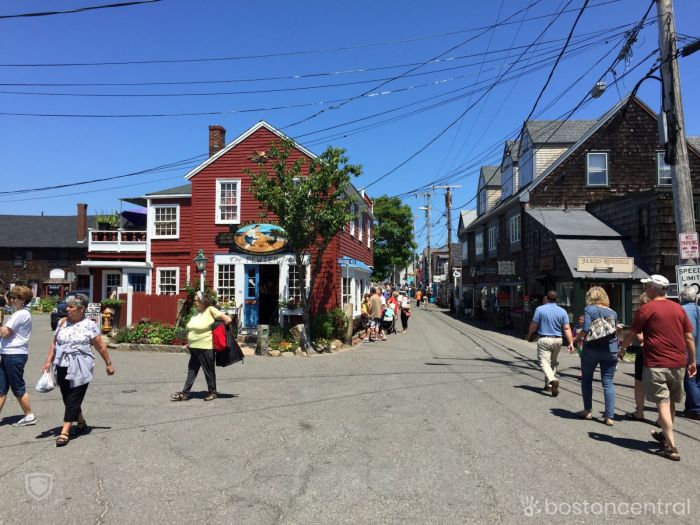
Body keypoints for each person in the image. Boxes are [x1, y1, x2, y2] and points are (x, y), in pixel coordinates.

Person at [620, 275, 697, 461]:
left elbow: (632, 333)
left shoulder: (646, 309)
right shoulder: (678, 309)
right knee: (669, 401)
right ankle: (664, 434)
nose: (645, 289)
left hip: (656, 362)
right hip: (678, 362)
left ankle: (671, 447)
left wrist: (622, 349)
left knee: (662, 402)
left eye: (647, 286)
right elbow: (688, 337)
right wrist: (692, 360)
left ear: (654, 288)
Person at [42, 292, 115, 446]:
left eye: (71, 307)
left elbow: (100, 346)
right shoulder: (62, 322)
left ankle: (65, 431)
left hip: (81, 365)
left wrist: (108, 363)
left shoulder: (90, 325)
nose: (67, 309)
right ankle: (81, 423)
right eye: (68, 306)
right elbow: (55, 343)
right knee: (67, 396)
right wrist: (48, 362)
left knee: (74, 397)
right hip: (61, 364)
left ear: (81, 309)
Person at [171, 291, 232, 402]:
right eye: (194, 300)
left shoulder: (210, 310)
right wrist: (189, 341)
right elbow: (192, 328)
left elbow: (228, 320)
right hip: (194, 347)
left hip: (206, 346)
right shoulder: (196, 312)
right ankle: (185, 393)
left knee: (208, 371)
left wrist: (219, 329)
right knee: (192, 371)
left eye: (196, 300)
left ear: (203, 301)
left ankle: (212, 392)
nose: (195, 302)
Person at [572, 287, 619, 425]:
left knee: (586, 380)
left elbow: (586, 328)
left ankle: (588, 411)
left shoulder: (589, 309)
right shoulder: (613, 312)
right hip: (610, 349)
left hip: (591, 349)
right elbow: (614, 330)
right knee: (608, 382)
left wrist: (576, 339)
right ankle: (609, 416)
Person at [0, 285, 36, 427]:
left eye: (15, 298)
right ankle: (29, 415)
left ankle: (29, 416)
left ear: (23, 300)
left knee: (17, 388)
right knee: (1, 388)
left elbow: (5, 333)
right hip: (9, 354)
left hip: (14, 354)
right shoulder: (22, 313)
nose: (12, 300)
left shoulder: (20, 314)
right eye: (11, 297)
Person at [527, 290, 574, 397]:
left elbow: (534, 325)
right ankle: (548, 385)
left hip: (545, 339)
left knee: (544, 362)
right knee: (552, 362)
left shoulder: (540, 309)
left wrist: (530, 335)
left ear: (547, 299)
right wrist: (571, 342)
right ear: (557, 299)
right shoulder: (562, 311)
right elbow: (567, 328)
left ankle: (552, 380)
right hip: (558, 340)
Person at [624, 292, 650, 422]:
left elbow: (640, 336)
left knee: (639, 383)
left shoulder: (642, 314)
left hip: (643, 351)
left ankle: (639, 411)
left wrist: (624, 345)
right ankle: (662, 418)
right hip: (661, 352)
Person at [680, 287, 700, 420]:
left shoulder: (681, 311)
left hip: (689, 351)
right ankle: (690, 408)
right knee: (697, 381)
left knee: (690, 380)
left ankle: (696, 408)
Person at [572, 314, 585, 380]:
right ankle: (583, 372)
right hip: (579, 345)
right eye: (580, 319)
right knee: (582, 359)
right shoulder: (575, 328)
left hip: (586, 345)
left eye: (582, 320)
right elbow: (573, 336)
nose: (581, 321)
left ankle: (582, 373)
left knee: (584, 359)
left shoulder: (586, 327)